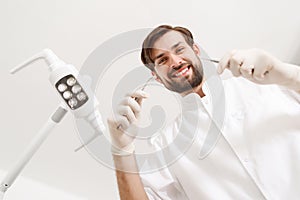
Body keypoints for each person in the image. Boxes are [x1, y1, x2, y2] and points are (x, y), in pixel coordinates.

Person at [107, 25, 300, 200]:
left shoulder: (265, 85)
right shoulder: (165, 144)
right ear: (156, 77)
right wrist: (121, 150)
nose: (175, 61)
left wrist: (290, 75)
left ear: (196, 51)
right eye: (163, 59)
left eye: (179, 49)